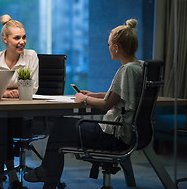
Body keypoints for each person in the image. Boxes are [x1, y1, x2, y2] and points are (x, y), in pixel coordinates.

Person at [24, 19, 144, 189]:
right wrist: (95, 94)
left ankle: (46, 174)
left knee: (59, 127)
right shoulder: (139, 67)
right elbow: (120, 96)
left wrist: (84, 99)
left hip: (112, 136)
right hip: (127, 134)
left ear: (116, 47)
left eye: (109, 44)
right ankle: (47, 177)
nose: (108, 47)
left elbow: (106, 105)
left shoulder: (125, 70)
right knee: (62, 129)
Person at [0, 14, 39, 189]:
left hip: (24, 115)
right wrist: (11, 92)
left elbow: (33, 87)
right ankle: (9, 174)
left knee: (0, 123)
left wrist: (6, 91)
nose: (22, 41)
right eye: (17, 38)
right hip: (0, 114)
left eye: (24, 37)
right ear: (5, 39)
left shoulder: (31, 56)